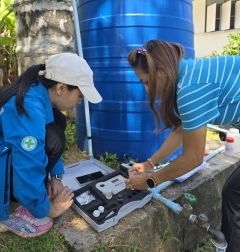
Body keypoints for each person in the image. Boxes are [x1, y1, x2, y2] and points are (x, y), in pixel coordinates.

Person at [125, 39, 240, 251]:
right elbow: (182, 130)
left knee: (234, 195)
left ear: (160, 71)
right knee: (234, 194)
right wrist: (149, 164)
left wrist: (151, 181)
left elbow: (193, 158)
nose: (146, 89)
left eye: (146, 82)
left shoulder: (190, 88)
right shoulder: (189, 73)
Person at [0, 52, 102, 238]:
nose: (79, 102)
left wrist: (55, 177)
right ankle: (9, 212)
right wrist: (47, 209)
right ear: (61, 88)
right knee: (54, 137)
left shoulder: (37, 92)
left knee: (57, 122)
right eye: (79, 95)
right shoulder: (29, 108)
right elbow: (27, 166)